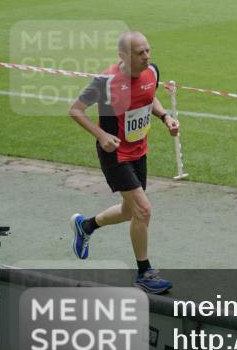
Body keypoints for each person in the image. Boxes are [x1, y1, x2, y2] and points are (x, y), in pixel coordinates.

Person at [68, 31, 180, 294]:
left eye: (148, 51)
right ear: (123, 56)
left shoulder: (151, 72)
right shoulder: (105, 82)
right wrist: (102, 135)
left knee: (130, 212)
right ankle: (144, 272)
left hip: (139, 150)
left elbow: (149, 96)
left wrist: (166, 118)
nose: (146, 57)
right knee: (143, 210)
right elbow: (75, 110)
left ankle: (86, 225)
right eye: (139, 53)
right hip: (115, 154)